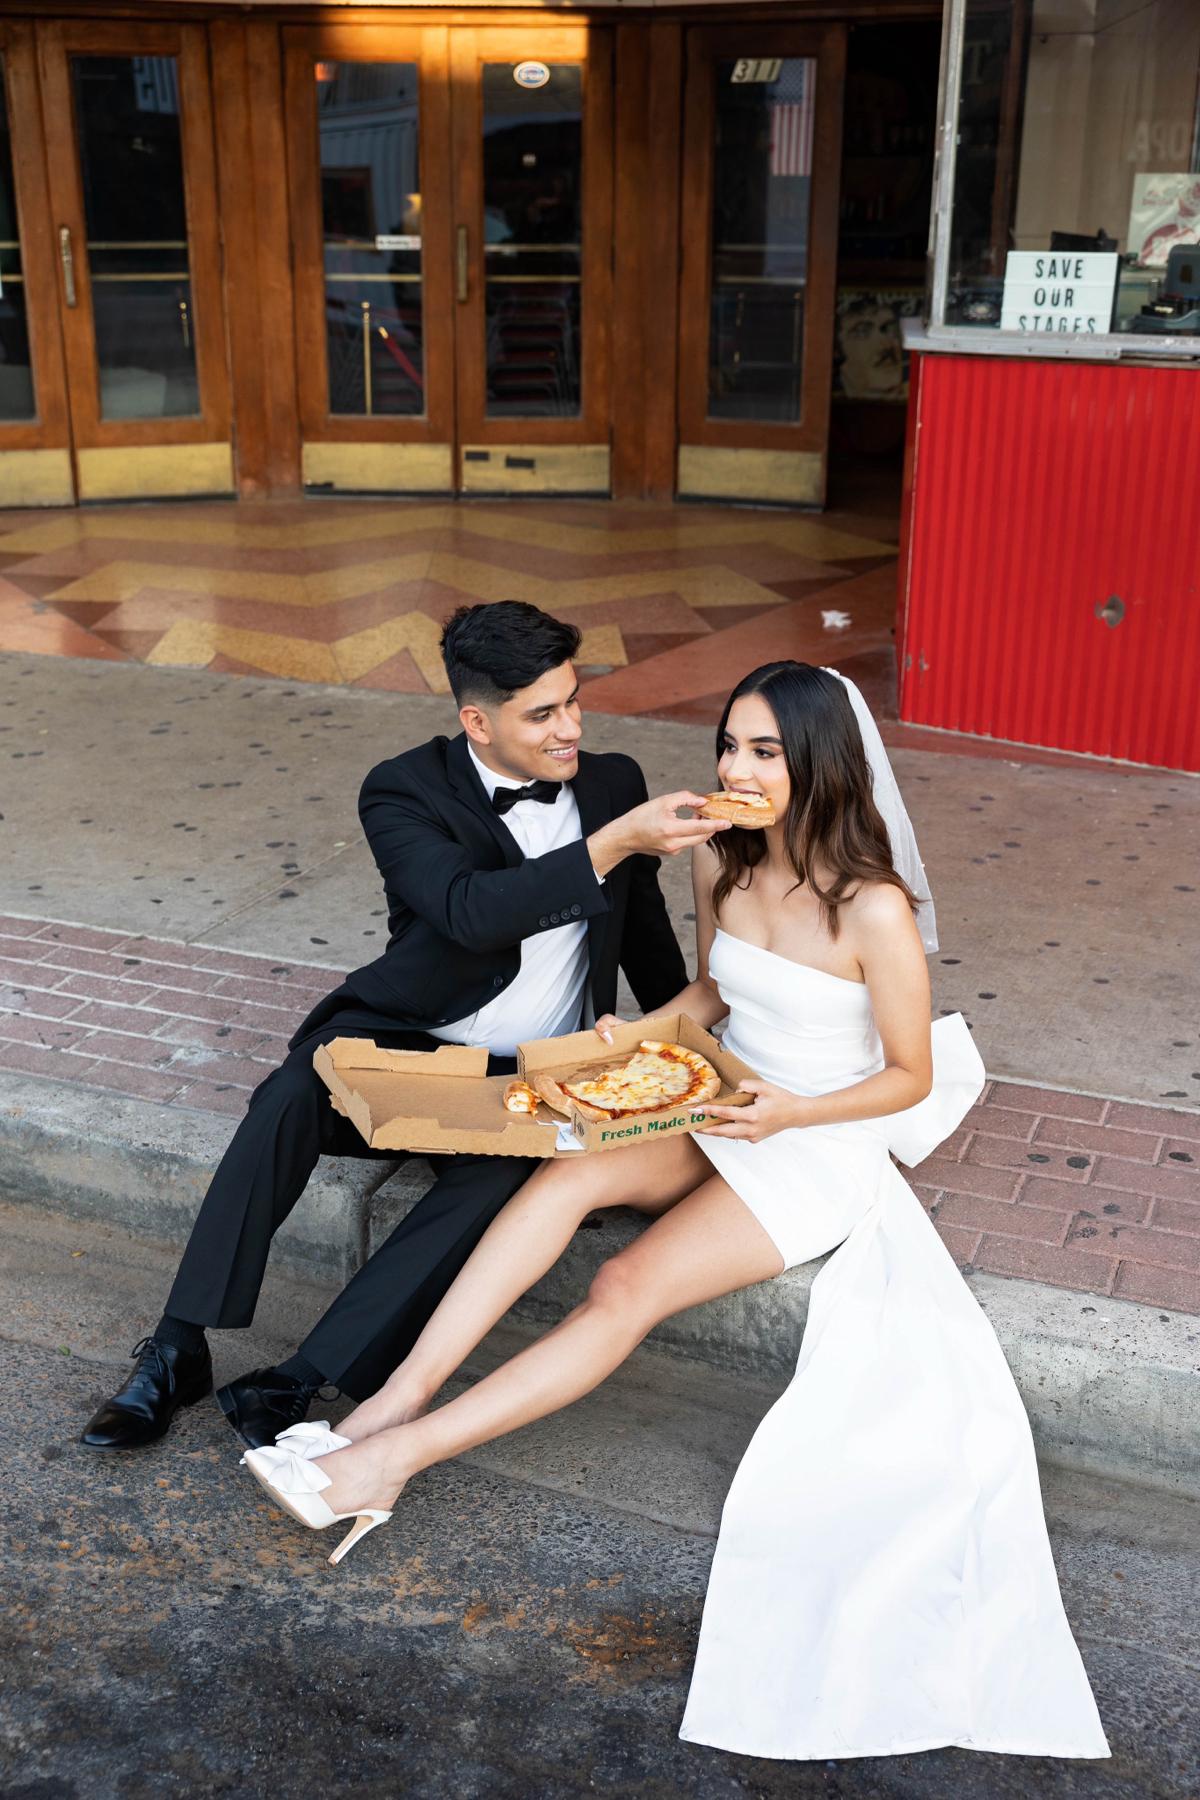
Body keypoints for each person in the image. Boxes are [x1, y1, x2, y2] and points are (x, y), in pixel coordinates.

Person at [242, 660, 1110, 1763]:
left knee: (624, 1284)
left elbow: (904, 1077)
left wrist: (792, 1115)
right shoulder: (725, 860)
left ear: (822, 765)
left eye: (765, 752)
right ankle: (382, 1402)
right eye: (731, 746)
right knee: (563, 1176)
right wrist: (641, 1034)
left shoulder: (875, 907)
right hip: (718, 1092)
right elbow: (714, 996)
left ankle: (392, 1461)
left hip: (815, 1140)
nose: (737, 770)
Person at [83, 601, 717, 1454]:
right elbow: (467, 912)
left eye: (573, 700)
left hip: (525, 1077)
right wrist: (607, 847)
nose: (571, 727)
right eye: (543, 714)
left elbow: (643, 934)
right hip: (407, 1040)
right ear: (476, 721)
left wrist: (691, 1055)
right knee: (288, 1097)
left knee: (498, 1183)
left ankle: (299, 1381)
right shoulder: (402, 788)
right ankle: (177, 1346)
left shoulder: (612, 783)